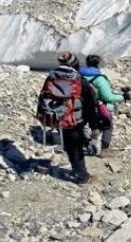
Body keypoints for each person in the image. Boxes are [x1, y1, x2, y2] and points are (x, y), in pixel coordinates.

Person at [38, 52, 98, 184]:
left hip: (58, 118)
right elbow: (90, 104)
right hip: (76, 120)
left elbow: (43, 97)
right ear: (75, 64)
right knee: (76, 147)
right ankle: (82, 176)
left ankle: (77, 169)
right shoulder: (80, 81)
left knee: (70, 146)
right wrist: (94, 124)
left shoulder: (51, 78)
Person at [80, 54, 131, 158]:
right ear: (98, 64)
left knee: (95, 125)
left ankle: (91, 142)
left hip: (84, 107)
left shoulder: (79, 77)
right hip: (101, 108)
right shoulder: (99, 79)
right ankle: (104, 151)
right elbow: (107, 97)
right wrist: (123, 97)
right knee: (108, 127)